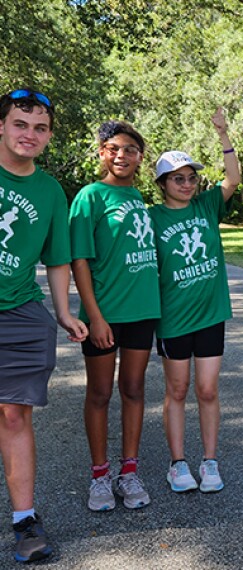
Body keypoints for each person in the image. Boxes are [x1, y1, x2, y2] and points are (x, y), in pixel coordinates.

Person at [0, 89, 87, 563]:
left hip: (17, 314)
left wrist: (64, 311)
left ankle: (24, 520)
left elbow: (57, 260)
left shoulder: (51, 191)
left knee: (15, 415)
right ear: (2, 125)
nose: (28, 134)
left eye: (39, 128)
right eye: (19, 123)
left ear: (49, 135)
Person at [70, 120, 160, 512]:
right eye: (114, 148)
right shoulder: (90, 197)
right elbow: (79, 260)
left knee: (135, 390)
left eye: (130, 149)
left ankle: (129, 471)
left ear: (141, 157)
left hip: (142, 312)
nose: (121, 155)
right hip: (104, 314)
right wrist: (95, 316)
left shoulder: (140, 197)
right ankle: (100, 475)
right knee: (101, 393)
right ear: (102, 152)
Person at [148, 108, 241, 494]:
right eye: (178, 179)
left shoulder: (205, 205)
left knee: (207, 390)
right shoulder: (151, 218)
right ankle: (178, 463)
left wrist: (223, 134)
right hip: (173, 318)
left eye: (191, 178)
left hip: (210, 315)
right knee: (178, 391)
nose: (187, 184)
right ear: (162, 183)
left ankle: (210, 460)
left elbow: (233, 178)